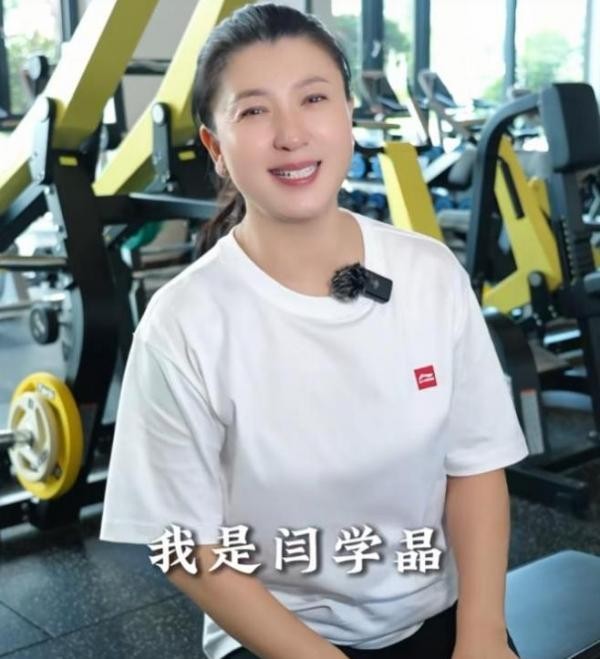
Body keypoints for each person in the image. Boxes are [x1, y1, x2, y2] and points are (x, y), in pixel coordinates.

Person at [99, 4, 529, 659]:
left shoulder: (429, 274)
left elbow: (475, 466)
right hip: (279, 634)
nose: (292, 134)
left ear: (347, 116)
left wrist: (482, 634)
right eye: (254, 110)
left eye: (314, 98)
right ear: (216, 148)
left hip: (437, 615)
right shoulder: (183, 323)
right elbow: (185, 545)